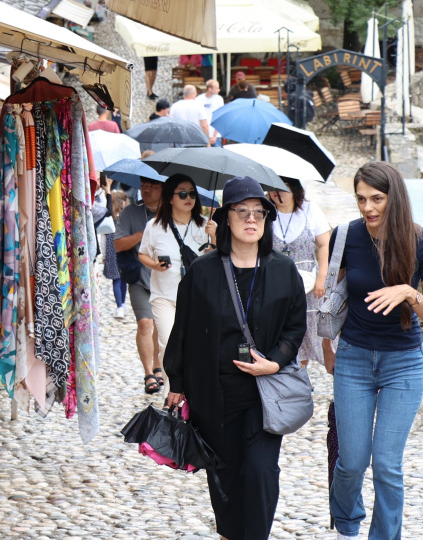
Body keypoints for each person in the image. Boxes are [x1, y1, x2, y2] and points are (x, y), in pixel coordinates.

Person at [165, 176, 307, 540]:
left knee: (261, 472)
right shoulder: (202, 271)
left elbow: (295, 327)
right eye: (242, 211)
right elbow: (183, 329)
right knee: (224, 474)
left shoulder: (283, 269)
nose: (251, 219)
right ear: (225, 218)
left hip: (264, 392)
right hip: (214, 392)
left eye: (259, 212)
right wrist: (176, 381)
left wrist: (275, 362)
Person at [324, 161, 423, 540]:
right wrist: (327, 346)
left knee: (387, 464)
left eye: (377, 199)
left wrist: (409, 292)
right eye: (361, 199)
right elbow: (330, 297)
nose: (368, 207)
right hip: (353, 359)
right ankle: (346, 527)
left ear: (395, 198)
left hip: (403, 364)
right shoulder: (346, 236)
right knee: (351, 462)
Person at [138, 174, 216, 371]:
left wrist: (215, 238)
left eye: (192, 194)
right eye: (182, 194)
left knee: (194, 348)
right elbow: (142, 254)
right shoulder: (155, 226)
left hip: (197, 297)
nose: (188, 198)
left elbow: (214, 259)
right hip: (164, 296)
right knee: (167, 346)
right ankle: (169, 389)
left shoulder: (205, 225)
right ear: (170, 198)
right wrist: (155, 265)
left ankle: (187, 389)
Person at [268, 178, 330, 366]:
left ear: (294, 188)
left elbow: (324, 244)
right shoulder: (265, 213)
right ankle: (294, 375)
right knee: (283, 333)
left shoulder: (310, 210)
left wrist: (322, 277)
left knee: (311, 334)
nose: (277, 193)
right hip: (276, 284)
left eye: (283, 188)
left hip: (308, 283)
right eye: (273, 188)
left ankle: (322, 372)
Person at [115, 178, 163, 393]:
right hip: (139, 277)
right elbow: (118, 245)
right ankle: (148, 373)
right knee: (145, 323)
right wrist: (142, 235)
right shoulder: (130, 213)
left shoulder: (172, 212)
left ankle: (158, 365)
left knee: (161, 325)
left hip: (165, 280)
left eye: (153, 185)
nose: (147, 189)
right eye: (144, 185)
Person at [104, 191, 129, 319]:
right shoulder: (126, 219)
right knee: (123, 280)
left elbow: (104, 239)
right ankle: (122, 304)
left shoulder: (110, 218)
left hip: (112, 252)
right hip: (124, 251)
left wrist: (104, 255)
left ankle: (120, 306)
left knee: (117, 280)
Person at [195, 79, 223, 147]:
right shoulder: (199, 99)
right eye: (217, 88)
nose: (219, 90)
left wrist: (214, 135)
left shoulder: (219, 99)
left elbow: (220, 117)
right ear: (210, 89)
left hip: (215, 134)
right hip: (202, 134)